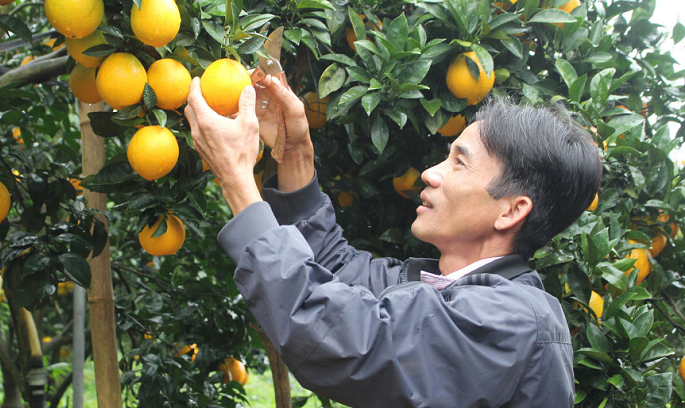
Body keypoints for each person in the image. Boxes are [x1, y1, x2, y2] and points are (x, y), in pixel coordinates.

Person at [184, 74, 602, 408]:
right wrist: (295, 152)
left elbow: (350, 340)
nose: (431, 173)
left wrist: (238, 180)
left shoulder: (511, 323)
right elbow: (333, 268)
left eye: (459, 163)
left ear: (511, 210)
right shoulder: (441, 288)